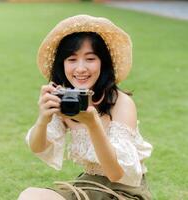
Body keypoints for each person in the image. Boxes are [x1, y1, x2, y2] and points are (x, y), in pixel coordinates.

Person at [18, 15, 153, 200]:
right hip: (88, 185)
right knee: (30, 196)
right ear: (62, 64)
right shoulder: (66, 99)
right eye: (72, 60)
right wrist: (43, 119)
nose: (80, 69)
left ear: (102, 63)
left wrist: (93, 124)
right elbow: (37, 147)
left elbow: (116, 173)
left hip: (124, 191)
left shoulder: (120, 102)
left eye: (90, 59)